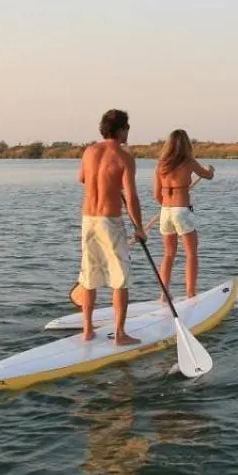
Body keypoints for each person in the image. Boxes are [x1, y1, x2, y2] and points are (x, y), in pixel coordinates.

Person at [78, 108, 148, 343]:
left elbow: (83, 179)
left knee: (89, 276)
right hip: (110, 221)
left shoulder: (89, 151)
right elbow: (132, 197)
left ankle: (87, 330)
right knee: (120, 278)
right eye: (127, 127)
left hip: (88, 219)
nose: (128, 132)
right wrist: (139, 227)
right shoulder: (124, 156)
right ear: (120, 130)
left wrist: (105, 184)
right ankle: (119, 334)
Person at [154, 129, 215, 300]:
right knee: (191, 254)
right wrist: (211, 170)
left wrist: (167, 207)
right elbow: (207, 175)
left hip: (165, 211)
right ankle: (190, 293)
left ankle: (164, 294)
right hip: (181, 211)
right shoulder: (189, 162)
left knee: (168, 254)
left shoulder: (161, 164)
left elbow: (156, 194)